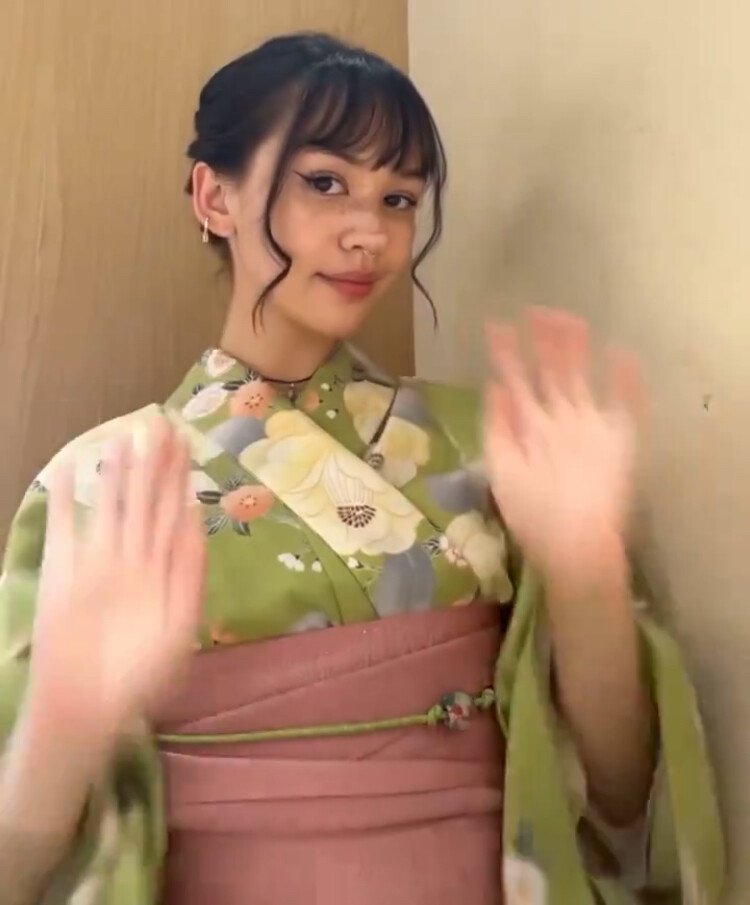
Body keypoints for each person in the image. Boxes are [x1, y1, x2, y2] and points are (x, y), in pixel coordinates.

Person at [0, 32, 723, 905]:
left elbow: (619, 797)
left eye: (400, 197)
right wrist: (64, 724)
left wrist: (585, 569)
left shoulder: (485, 445)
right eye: (325, 182)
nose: (369, 231)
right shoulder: (102, 481)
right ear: (215, 196)